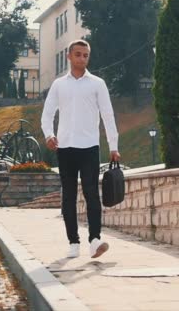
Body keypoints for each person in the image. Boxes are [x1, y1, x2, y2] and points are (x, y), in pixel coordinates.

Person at [41, 39, 120, 259]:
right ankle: (73, 242)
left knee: (92, 193)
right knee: (68, 196)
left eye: (86, 55)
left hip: (89, 147)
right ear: (69, 56)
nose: (82, 58)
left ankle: (95, 240)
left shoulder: (97, 84)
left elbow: (108, 115)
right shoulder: (59, 85)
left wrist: (113, 146)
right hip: (65, 147)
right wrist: (49, 134)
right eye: (78, 54)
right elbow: (47, 114)